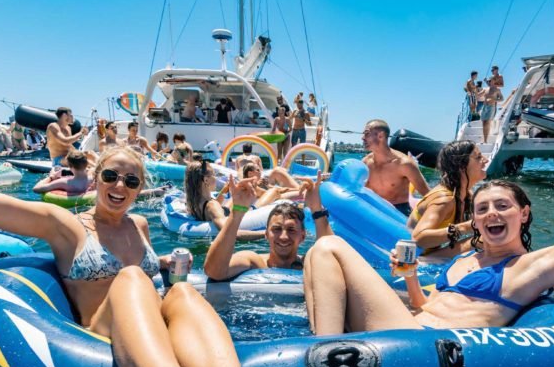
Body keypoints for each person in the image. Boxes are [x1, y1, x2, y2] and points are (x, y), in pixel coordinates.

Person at [0, 146, 275, 367]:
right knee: (131, 276)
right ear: (96, 178)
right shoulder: (66, 225)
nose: (119, 187)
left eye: (130, 181)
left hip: (152, 326)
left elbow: (150, 265)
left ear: (140, 187)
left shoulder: (140, 225)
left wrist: (165, 262)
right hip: (101, 334)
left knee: (183, 291)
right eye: (111, 176)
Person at [303, 180, 554, 335]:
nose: (491, 213)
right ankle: (324, 349)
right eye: (482, 209)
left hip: (427, 347)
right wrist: (410, 276)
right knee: (315, 256)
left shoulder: (528, 268)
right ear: (476, 221)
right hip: (406, 331)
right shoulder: (463, 261)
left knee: (331, 247)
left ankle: (321, 355)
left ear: (523, 214)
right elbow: (425, 305)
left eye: (503, 206)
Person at [204, 172, 333, 281]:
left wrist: (317, 209)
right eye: (276, 229)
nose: (283, 237)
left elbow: (333, 261)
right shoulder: (254, 262)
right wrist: (236, 213)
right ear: (266, 234)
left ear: (303, 236)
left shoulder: (308, 263)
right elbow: (215, 272)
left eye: (291, 230)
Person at [408, 140, 488, 257]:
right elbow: (419, 238)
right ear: (461, 165)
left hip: (432, 252)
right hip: (419, 257)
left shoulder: (465, 195)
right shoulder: (445, 199)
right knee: (484, 240)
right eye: (478, 157)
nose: (485, 160)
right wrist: (466, 227)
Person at [184, 159, 266, 240]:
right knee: (275, 191)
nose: (216, 178)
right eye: (214, 174)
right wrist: (265, 233)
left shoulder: (193, 201)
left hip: (225, 209)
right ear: (206, 180)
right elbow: (230, 233)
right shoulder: (212, 206)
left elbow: (212, 208)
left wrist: (225, 189)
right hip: (235, 212)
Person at [362, 119, 430, 216]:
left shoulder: (404, 164)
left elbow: (427, 193)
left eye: (366, 133)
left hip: (398, 213)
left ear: (381, 135)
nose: (362, 138)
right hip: (374, 210)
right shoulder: (366, 163)